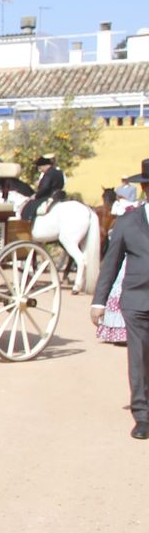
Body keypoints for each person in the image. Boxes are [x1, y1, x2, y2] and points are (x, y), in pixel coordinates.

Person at [92, 159, 149, 437]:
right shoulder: (128, 222)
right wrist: (98, 301)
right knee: (139, 356)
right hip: (138, 300)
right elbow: (111, 263)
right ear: (146, 189)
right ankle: (142, 416)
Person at [20, 154, 66, 221]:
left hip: (47, 196)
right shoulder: (59, 172)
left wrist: (36, 196)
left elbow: (45, 187)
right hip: (58, 196)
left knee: (28, 206)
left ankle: (27, 222)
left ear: (45, 165)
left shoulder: (48, 174)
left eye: (40, 168)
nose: (40, 170)